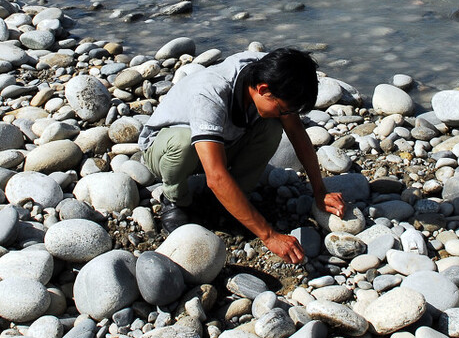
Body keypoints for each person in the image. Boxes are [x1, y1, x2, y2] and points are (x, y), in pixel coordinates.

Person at [140, 47, 346, 264]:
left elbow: (297, 133)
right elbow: (216, 176)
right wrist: (269, 236)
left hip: (222, 141)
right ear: (263, 89)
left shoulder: (270, 72)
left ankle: (231, 201)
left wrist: (320, 191)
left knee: (272, 127)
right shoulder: (211, 93)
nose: (286, 116)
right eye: (284, 110)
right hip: (164, 149)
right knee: (184, 144)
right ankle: (175, 200)